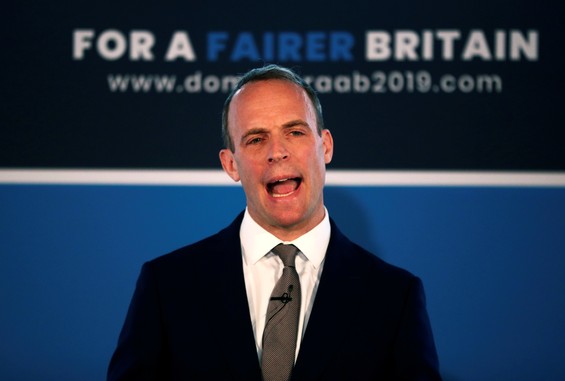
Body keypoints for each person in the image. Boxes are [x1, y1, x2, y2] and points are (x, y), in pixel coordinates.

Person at [107, 64, 442, 380]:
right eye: (256, 139)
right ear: (231, 164)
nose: (277, 152)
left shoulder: (394, 297)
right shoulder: (167, 286)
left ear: (325, 146)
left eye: (294, 132)